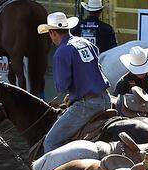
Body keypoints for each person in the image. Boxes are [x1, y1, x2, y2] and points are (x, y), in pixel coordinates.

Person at [41, 12, 110, 154]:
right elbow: (97, 68)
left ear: (52, 32)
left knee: (50, 142)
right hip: (105, 99)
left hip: (86, 105)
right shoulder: (85, 43)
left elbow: (62, 86)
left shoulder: (62, 52)